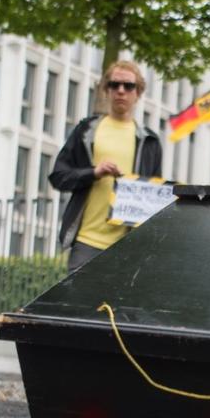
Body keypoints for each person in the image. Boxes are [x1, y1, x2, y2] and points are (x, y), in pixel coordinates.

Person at [49, 60, 164, 273]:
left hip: (128, 247)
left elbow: (155, 200)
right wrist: (93, 172)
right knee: (79, 306)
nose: (121, 91)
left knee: (120, 308)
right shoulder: (86, 131)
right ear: (106, 90)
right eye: (114, 84)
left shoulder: (150, 142)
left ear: (138, 92)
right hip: (86, 241)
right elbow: (58, 176)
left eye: (128, 86)